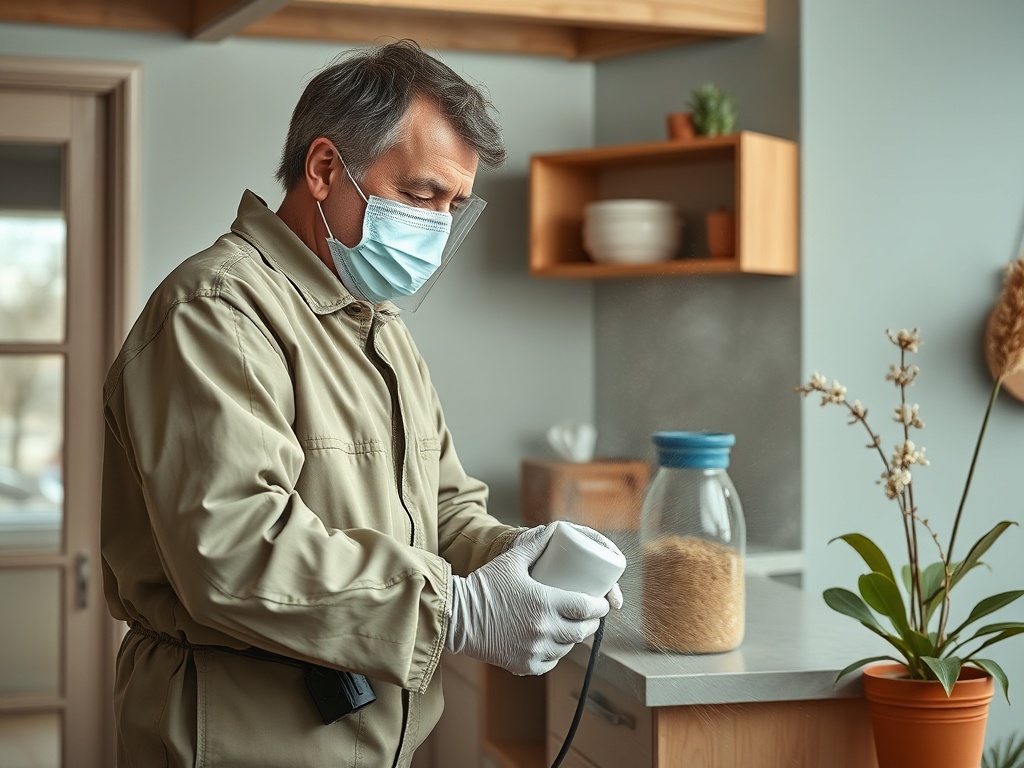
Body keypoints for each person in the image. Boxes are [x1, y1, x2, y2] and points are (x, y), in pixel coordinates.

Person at [100, 39, 623, 768]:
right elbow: (233, 551)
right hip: (241, 740)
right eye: (419, 196)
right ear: (323, 170)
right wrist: (462, 612)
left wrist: (524, 564)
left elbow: (444, 512)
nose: (436, 231)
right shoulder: (216, 311)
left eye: (453, 207)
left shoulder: (377, 325)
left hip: (377, 742)